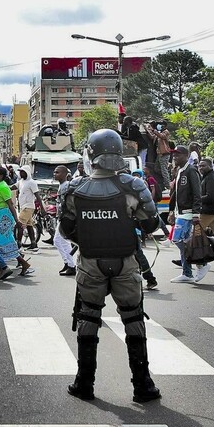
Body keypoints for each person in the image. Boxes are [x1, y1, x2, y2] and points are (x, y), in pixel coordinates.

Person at [61, 129, 161, 403]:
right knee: (133, 317)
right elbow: (151, 223)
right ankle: (143, 386)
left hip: (90, 262)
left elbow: (66, 228)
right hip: (125, 262)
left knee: (88, 317)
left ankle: (84, 383)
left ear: (90, 155)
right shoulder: (132, 186)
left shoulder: (73, 189)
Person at [169, 146, 206, 283]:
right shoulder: (179, 171)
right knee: (183, 241)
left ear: (186, 156)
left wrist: (196, 214)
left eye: (177, 155)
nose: (174, 157)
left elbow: (197, 193)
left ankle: (201, 264)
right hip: (180, 213)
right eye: (174, 155)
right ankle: (187, 273)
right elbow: (175, 194)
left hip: (188, 214)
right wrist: (172, 210)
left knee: (178, 239)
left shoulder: (191, 171)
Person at [0, 167, 31, 276]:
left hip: (3, 219)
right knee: (0, 243)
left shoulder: (3, 187)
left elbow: (11, 204)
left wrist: (17, 220)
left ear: (1, 176)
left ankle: (21, 263)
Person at [52, 165, 77, 276]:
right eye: (54, 172)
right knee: (60, 241)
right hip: (62, 217)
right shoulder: (62, 185)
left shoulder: (66, 186)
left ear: (64, 174)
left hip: (66, 218)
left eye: (57, 172)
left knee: (59, 241)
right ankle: (68, 264)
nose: (55, 174)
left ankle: (71, 265)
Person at [14, 167, 40, 251]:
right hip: (23, 206)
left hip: (28, 206)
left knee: (20, 225)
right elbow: (13, 187)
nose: (21, 173)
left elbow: (37, 195)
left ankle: (18, 244)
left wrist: (42, 208)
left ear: (27, 172)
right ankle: (33, 244)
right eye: (20, 172)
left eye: (22, 172)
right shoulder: (21, 182)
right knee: (29, 225)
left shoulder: (31, 183)